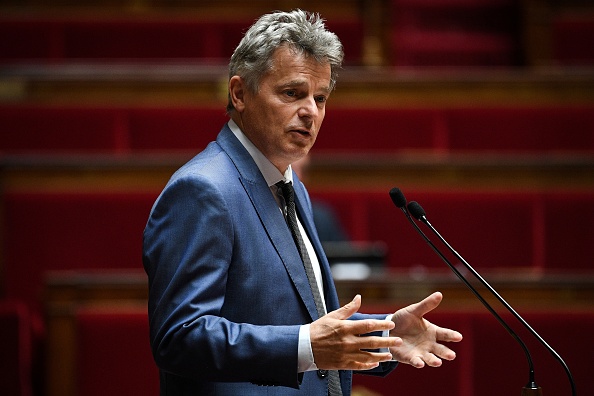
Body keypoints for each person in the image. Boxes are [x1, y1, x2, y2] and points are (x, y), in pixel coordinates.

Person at [142, 9, 462, 396]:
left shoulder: (290, 186)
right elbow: (179, 337)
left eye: (320, 97)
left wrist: (385, 335)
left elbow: (297, 319)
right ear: (239, 93)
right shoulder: (203, 190)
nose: (311, 111)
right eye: (292, 93)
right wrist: (305, 346)